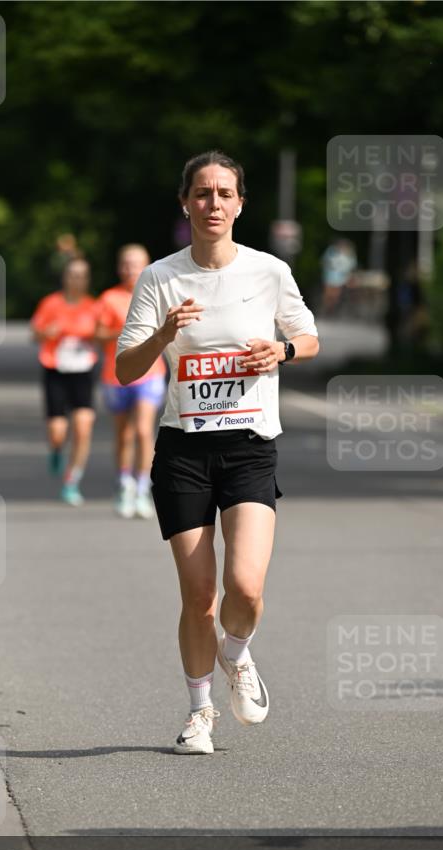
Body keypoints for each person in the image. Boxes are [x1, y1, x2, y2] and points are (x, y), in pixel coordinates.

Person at [116, 151, 319, 754]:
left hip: (251, 446)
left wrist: (281, 352)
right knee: (199, 594)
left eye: (224, 194)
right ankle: (199, 711)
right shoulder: (159, 278)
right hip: (184, 451)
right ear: (186, 202)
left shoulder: (269, 272)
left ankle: (237, 654)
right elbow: (126, 370)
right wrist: (163, 334)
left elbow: (308, 336)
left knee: (246, 587)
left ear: (240, 204)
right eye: (202, 194)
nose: (213, 204)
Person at [94, 244, 167, 518]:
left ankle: (142, 487)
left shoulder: (156, 294)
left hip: (150, 373)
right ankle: (124, 482)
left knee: (144, 431)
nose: (130, 269)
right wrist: (118, 332)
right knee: (124, 434)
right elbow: (97, 335)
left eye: (136, 264)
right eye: (126, 263)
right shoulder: (109, 298)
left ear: (147, 266)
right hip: (116, 376)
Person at [31, 258, 99, 505]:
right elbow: (34, 333)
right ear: (65, 277)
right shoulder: (51, 304)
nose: (76, 280)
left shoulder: (93, 306)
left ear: (87, 279)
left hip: (83, 371)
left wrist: (97, 336)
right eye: (72, 274)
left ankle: (72, 480)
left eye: (82, 275)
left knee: (83, 426)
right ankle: (57, 449)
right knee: (58, 431)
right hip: (55, 369)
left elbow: (103, 335)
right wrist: (45, 333)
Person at [320, 239, 357, 315]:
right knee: (328, 294)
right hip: (330, 277)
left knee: (335, 295)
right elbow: (325, 262)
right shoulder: (331, 251)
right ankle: (327, 310)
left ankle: (331, 311)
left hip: (340, 279)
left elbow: (351, 266)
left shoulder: (349, 254)